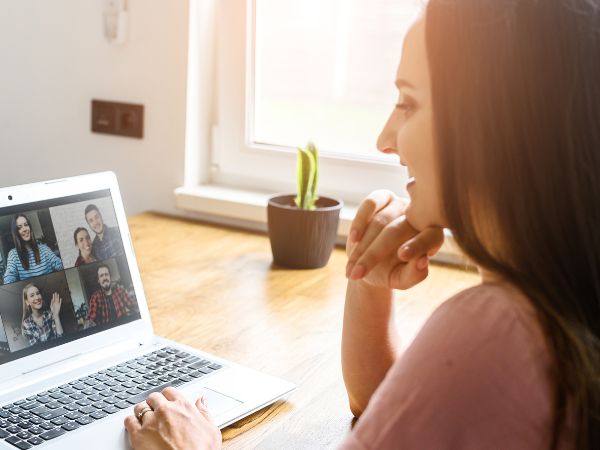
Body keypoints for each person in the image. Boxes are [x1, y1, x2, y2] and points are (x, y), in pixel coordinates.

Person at [124, 1, 600, 448]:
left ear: (491, 126)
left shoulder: (496, 329)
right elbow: (392, 414)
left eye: (409, 104)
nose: (384, 140)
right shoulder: (560, 296)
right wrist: (371, 283)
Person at [3, 214, 64, 284]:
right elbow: (8, 279)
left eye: (26, 225)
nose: (25, 229)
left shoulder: (44, 248)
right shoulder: (13, 254)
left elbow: (59, 264)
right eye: (19, 227)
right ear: (16, 232)